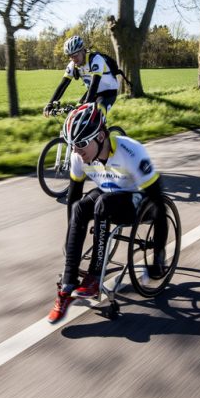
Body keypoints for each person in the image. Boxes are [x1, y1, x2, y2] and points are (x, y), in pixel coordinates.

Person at [48, 103, 168, 323]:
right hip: (108, 195)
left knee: (102, 203)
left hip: (140, 202)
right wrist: (70, 237)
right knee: (80, 207)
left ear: (101, 136)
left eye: (82, 143)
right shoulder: (78, 156)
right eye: (72, 144)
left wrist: (158, 253)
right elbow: (73, 197)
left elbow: (159, 203)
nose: (76, 150)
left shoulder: (131, 151)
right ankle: (67, 285)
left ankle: (94, 276)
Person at [43, 35, 123, 118]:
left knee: (97, 115)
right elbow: (62, 85)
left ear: (82, 50)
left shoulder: (96, 59)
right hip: (93, 93)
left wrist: (86, 103)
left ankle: (102, 130)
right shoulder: (73, 65)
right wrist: (50, 104)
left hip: (108, 91)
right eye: (70, 56)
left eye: (75, 55)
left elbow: (94, 84)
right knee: (75, 115)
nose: (73, 59)